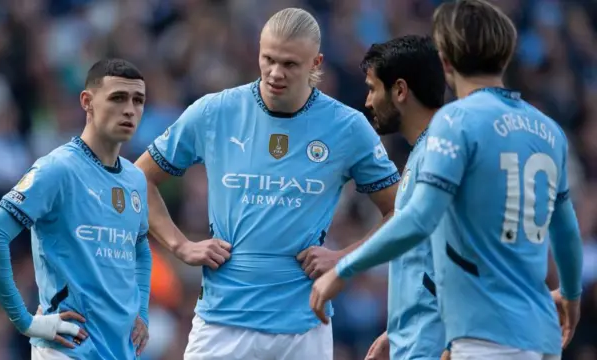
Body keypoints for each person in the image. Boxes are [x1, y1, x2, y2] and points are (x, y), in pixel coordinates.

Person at [310, 1, 583, 359]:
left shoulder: (454, 124)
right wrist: (572, 294)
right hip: (539, 335)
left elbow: (419, 221)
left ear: (446, 61)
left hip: (485, 338)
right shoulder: (548, 129)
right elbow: (565, 232)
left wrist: (343, 269)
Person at [134, 7, 400, 360]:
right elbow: (137, 180)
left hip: (304, 325)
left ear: (316, 63)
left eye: (290, 64)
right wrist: (181, 245)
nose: (276, 73)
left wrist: (343, 259)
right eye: (268, 59)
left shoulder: (347, 128)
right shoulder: (216, 112)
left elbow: (400, 211)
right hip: (222, 323)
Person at [0, 59, 152, 360]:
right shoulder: (57, 169)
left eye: (138, 100)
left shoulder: (134, 178)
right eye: (118, 98)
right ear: (87, 102)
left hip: (120, 351)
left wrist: (142, 312)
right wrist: (25, 321)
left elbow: (140, 248)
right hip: (67, 350)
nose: (130, 109)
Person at [358, 36, 448, 360]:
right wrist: (396, 330)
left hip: (435, 345)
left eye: (372, 88)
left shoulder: (441, 155)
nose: (368, 101)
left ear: (399, 90)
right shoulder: (423, 152)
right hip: (415, 340)